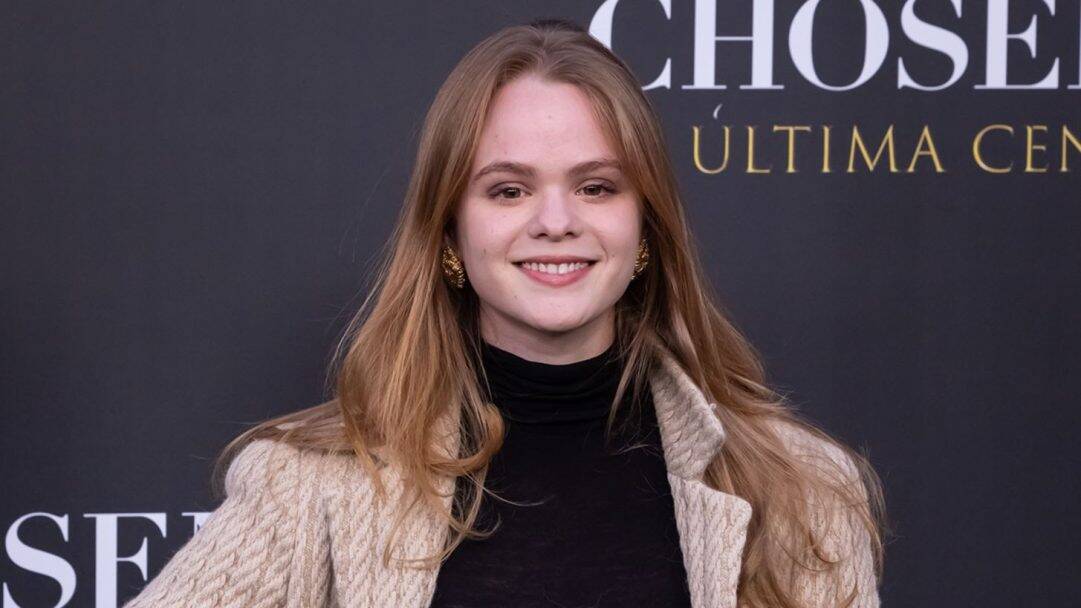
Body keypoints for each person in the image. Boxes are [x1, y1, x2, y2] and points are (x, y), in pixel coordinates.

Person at [123, 18, 886, 608]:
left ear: (645, 229)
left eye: (595, 187)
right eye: (508, 190)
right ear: (449, 232)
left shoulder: (800, 489)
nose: (555, 222)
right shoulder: (308, 486)